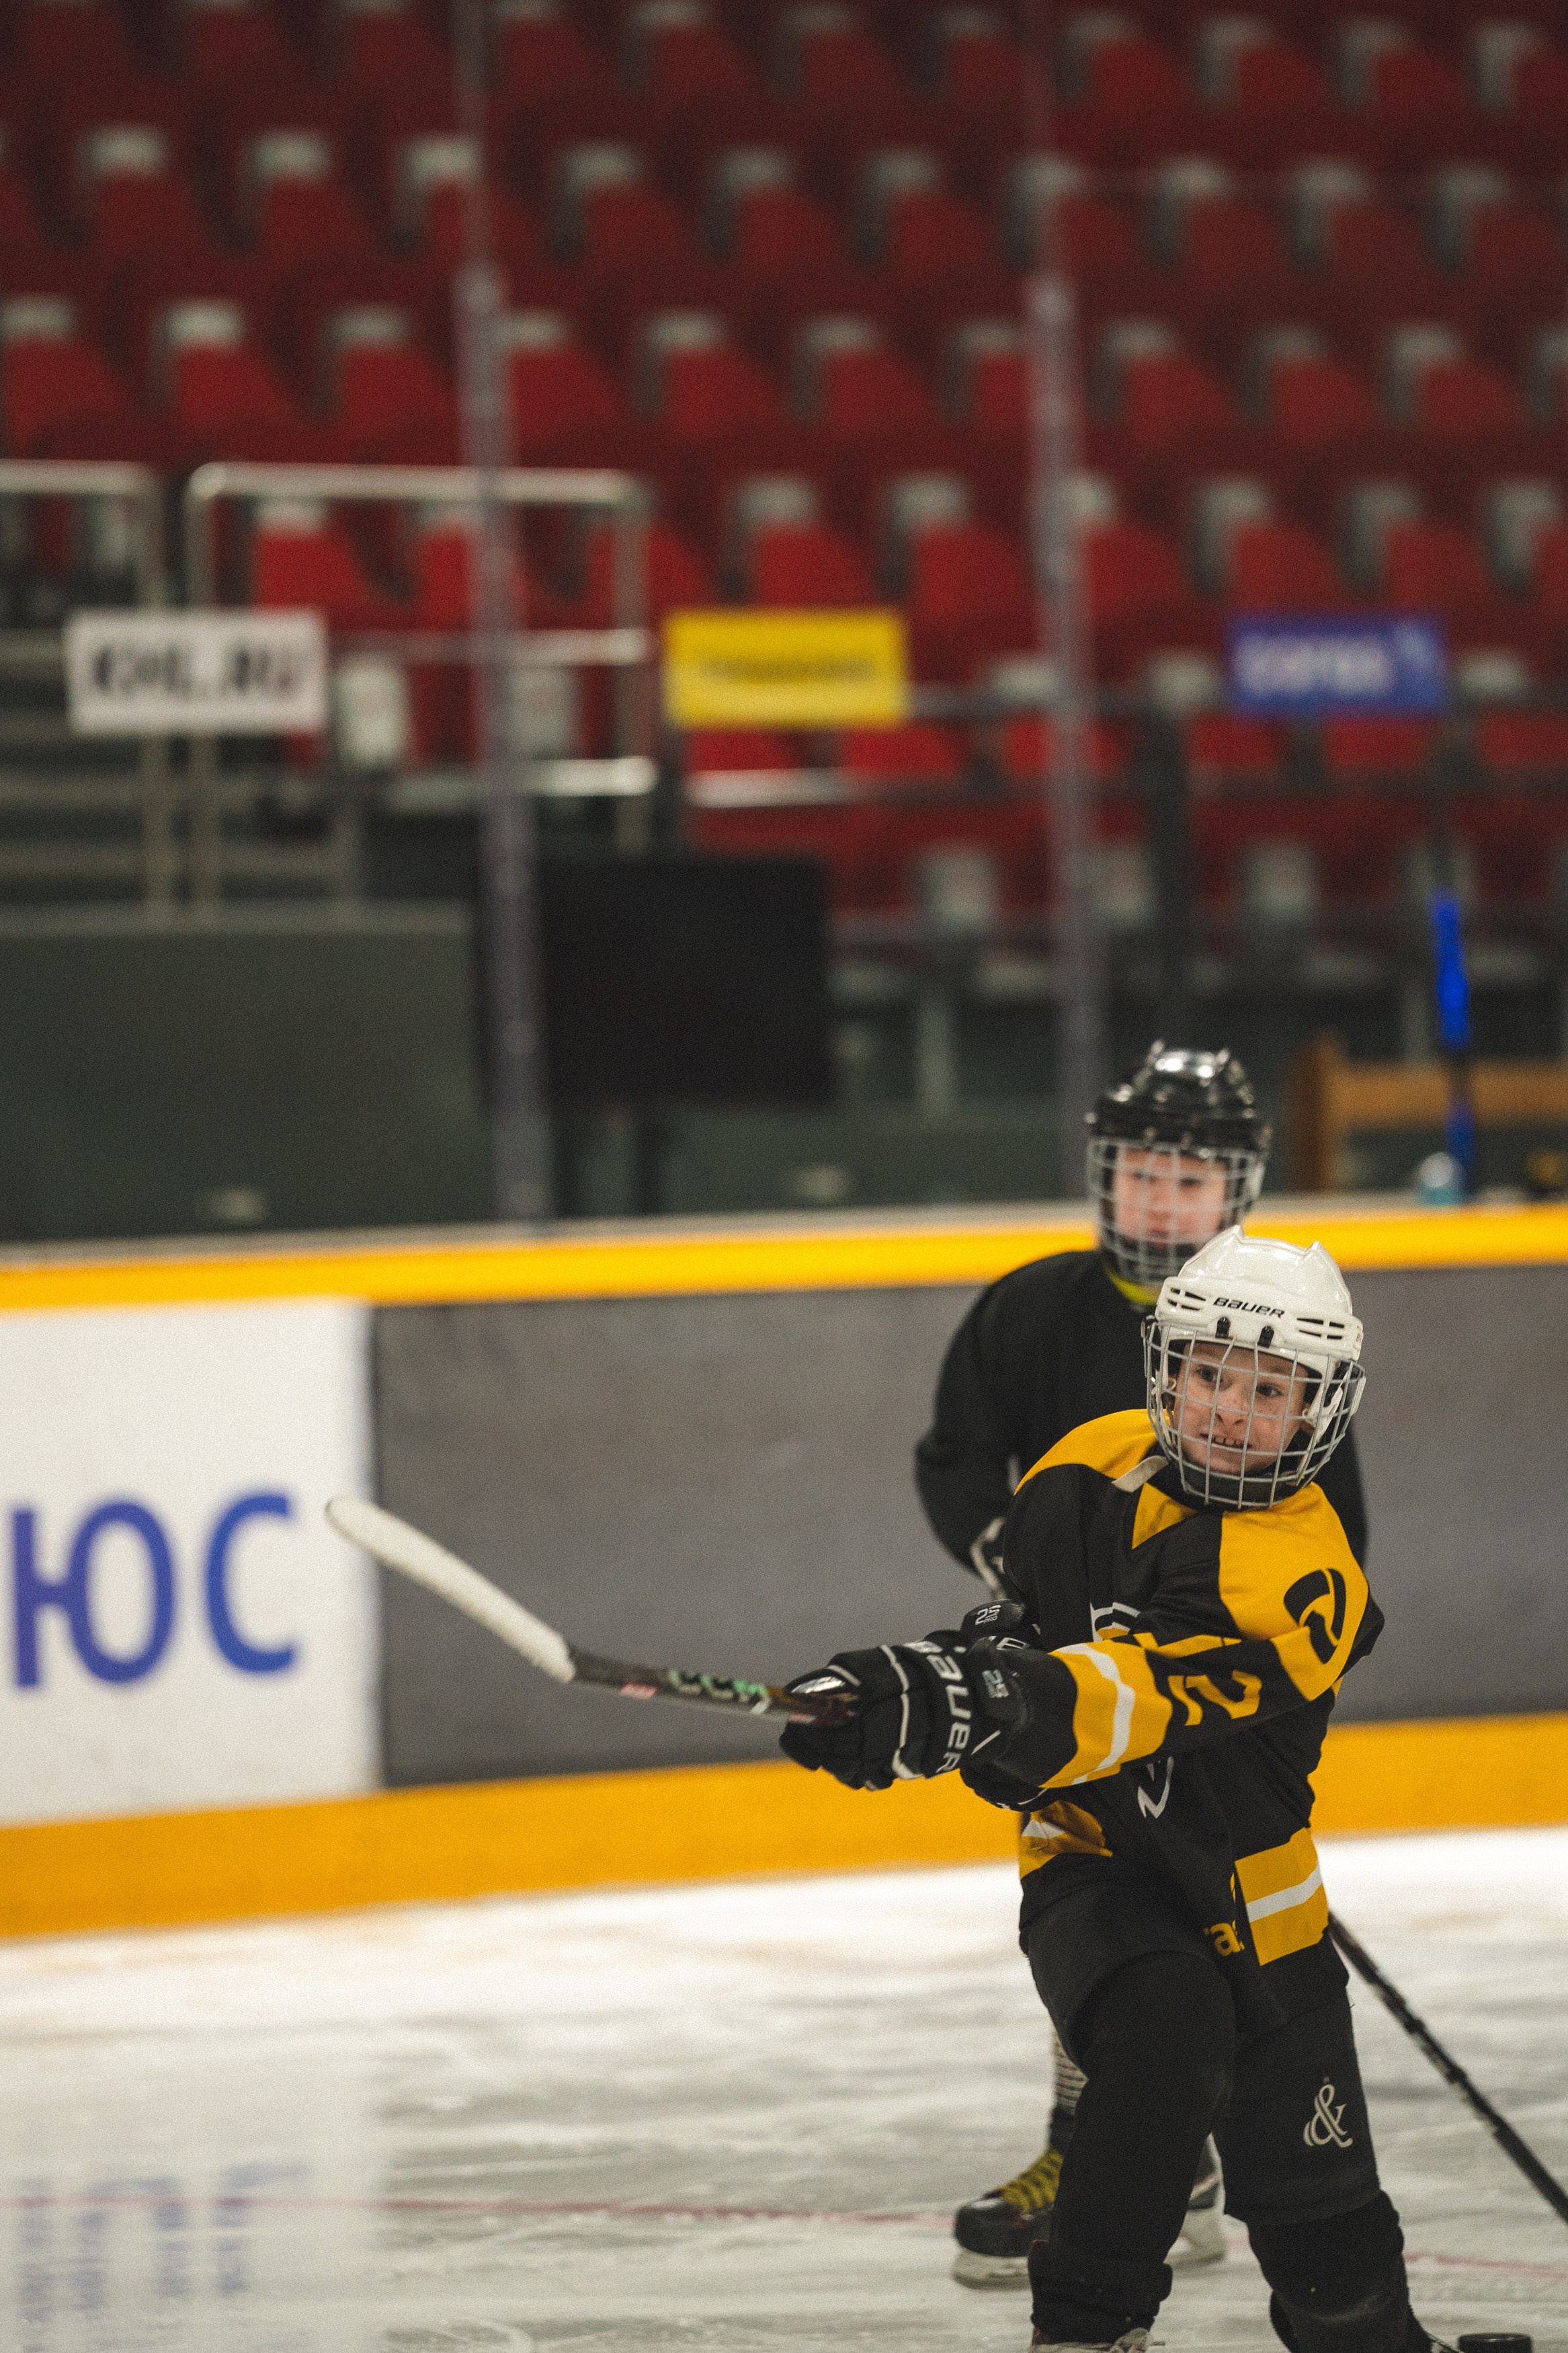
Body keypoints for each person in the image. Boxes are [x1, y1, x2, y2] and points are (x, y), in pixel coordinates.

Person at [784, 1230, 1439, 2353]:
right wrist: (900, 1694)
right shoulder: (1083, 1465)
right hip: (1096, 1868)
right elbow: (1017, 1644)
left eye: (1269, 1388)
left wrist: (972, 1703)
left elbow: (1122, 1700)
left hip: (1265, 1918)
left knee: (1337, 2282)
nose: (1230, 1410)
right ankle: (1084, 2333)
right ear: (1165, 1370)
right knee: (1165, 2031)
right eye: (1208, 1374)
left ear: (1321, 1405)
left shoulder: (1300, 1570)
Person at [913, 1042, 1369, 2286]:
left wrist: (1246, 1689)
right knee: (1105, 1924)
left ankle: (1183, 2169)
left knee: (1191, 1938)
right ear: (1105, 1176)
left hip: (1201, 1700)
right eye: (1144, 1174)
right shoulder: (1031, 1307)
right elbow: (956, 1456)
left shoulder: (1280, 1342)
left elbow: (1329, 1553)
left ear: (1238, 1190)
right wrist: (1015, 1572)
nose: (1162, 1202)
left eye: (1190, 1178)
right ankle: (1123, 2158)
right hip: (1070, 1680)